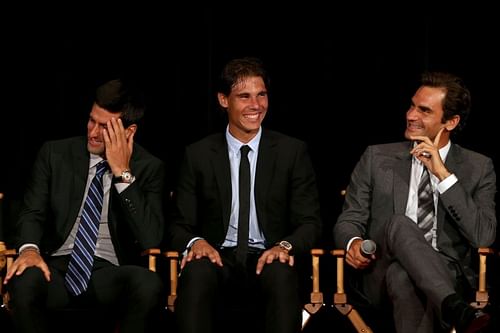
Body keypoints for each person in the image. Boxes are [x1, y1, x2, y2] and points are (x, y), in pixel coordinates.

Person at [333, 71, 497, 333]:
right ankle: (454, 307)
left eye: (424, 111)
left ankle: (448, 300)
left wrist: (443, 175)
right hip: (379, 272)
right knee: (399, 224)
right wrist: (353, 243)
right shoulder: (376, 158)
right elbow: (349, 219)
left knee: (404, 276)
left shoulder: (478, 167)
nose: (410, 115)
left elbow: (483, 236)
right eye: (412, 105)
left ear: (451, 122)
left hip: (446, 274)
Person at [168, 57, 322, 333]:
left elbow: (310, 223)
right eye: (244, 96)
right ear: (223, 100)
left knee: (281, 274)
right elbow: (178, 223)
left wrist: (285, 246)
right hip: (217, 256)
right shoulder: (198, 154)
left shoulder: (291, 152)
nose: (256, 105)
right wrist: (196, 242)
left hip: (269, 255)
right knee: (196, 271)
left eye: (261, 95)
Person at [4, 78, 166, 333]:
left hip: (109, 272)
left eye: (104, 127)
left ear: (129, 132)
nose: (92, 132)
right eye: (92, 120)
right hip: (55, 267)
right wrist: (30, 250)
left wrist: (123, 173)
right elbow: (32, 212)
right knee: (24, 277)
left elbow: (150, 239)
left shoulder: (148, 167)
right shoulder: (55, 154)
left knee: (148, 283)